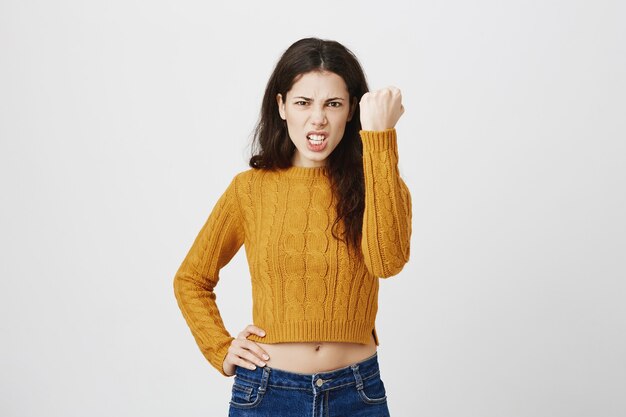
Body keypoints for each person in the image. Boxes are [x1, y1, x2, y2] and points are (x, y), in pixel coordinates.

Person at [173, 37, 412, 416]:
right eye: (304, 103)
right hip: (268, 393)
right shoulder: (249, 189)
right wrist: (220, 347)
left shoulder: (377, 181)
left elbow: (388, 262)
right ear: (282, 106)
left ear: (351, 110)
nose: (318, 118)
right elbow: (191, 279)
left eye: (333, 104)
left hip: (357, 393)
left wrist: (380, 139)